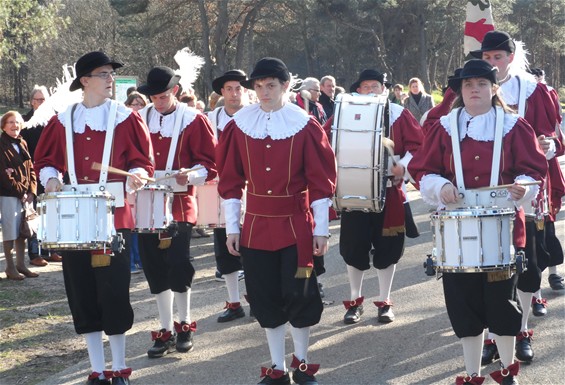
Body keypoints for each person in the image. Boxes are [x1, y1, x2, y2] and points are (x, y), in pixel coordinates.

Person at [409, 59, 548, 385]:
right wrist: (439, 186)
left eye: (481, 84)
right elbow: (423, 171)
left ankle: (506, 372)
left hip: (503, 233)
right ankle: (472, 374)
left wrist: (522, 189)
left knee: (502, 305)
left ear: (493, 88)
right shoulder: (443, 127)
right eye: (468, 85)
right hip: (456, 236)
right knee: (464, 308)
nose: (474, 89)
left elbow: (534, 172)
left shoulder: (514, 126)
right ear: (459, 90)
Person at [34, 51, 154, 385]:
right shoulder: (62, 119)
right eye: (103, 74)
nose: (110, 80)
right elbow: (45, 160)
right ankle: (97, 370)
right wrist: (52, 178)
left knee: (113, 291)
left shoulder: (126, 118)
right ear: (85, 80)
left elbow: (142, 160)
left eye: (111, 75)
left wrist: (137, 174)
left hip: (113, 216)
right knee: (82, 292)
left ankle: (118, 368)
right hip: (73, 217)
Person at [216, 57, 336, 385]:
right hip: (254, 226)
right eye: (258, 86)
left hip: (297, 226)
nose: (263, 91)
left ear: (285, 86)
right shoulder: (239, 125)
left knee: (300, 291)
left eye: (270, 85)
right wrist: (232, 227)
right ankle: (277, 367)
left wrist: (321, 229)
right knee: (264, 296)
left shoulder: (305, 125)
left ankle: (302, 362)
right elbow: (229, 183)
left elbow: (321, 183)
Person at [471, 30, 565, 364]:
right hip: (482, 193)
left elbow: (554, 137)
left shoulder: (535, 91)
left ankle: (521, 329)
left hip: (526, 189)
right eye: (487, 58)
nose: (492, 63)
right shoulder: (471, 87)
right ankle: (493, 337)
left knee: (526, 267)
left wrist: (549, 146)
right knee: (486, 268)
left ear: (511, 57)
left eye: (498, 57)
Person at [137, 66, 217, 358]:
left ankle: (184, 324)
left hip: (181, 203)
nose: (158, 102)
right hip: (146, 203)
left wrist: (191, 175)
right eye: (154, 97)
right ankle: (164, 329)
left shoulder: (194, 120)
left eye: (163, 96)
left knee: (178, 264)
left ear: (175, 92)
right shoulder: (140, 118)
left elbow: (210, 163)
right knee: (154, 267)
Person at [339, 69, 423, 325]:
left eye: (376, 86)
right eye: (366, 86)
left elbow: (419, 146)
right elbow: (325, 142)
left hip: (389, 191)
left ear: (384, 90)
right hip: (355, 191)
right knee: (354, 248)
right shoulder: (345, 115)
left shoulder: (399, 114)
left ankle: (385, 301)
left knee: (388, 248)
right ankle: (355, 301)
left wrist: (403, 166)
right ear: (358, 91)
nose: (371, 90)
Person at [208, 69, 249, 322]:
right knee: (225, 249)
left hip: (251, 189)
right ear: (222, 93)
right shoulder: (210, 119)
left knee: (253, 247)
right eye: (229, 89)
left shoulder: (255, 116)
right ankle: (234, 303)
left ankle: (257, 297)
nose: (234, 94)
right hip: (220, 190)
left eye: (238, 88)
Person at [21, 86, 63, 267]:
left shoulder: (55, 119)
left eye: (44, 99)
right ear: (31, 102)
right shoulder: (24, 121)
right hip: (32, 173)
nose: (41, 103)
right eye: (37, 100)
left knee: (53, 213)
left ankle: (51, 249)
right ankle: (35, 252)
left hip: (52, 173)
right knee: (35, 215)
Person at [0, 111, 38, 280]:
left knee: (23, 230)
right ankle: (10, 267)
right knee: (10, 231)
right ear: (3, 125)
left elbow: (30, 168)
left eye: (17, 122)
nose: (14, 125)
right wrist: (21, 191)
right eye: (10, 122)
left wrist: (31, 191)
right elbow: (4, 174)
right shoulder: (1, 144)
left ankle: (21, 265)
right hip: (9, 194)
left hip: (24, 195)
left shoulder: (22, 142)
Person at [124, 91, 148, 274]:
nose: (137, 107)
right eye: (134, 104)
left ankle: (141, 259)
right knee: (130, 225)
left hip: (145, 182)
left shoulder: (148, 122)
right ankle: (131, 262)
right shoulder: (125, 123)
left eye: (141, 104)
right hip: (129, 183)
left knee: (143, 222)